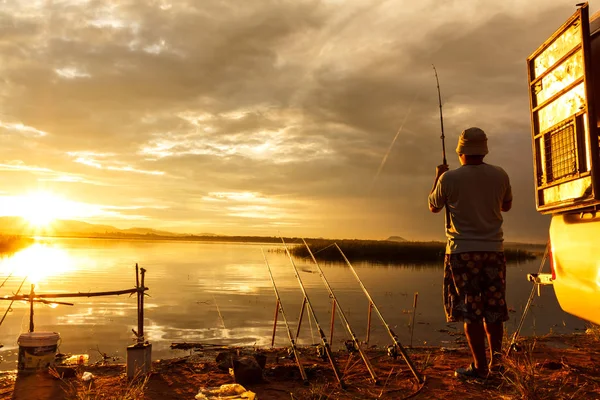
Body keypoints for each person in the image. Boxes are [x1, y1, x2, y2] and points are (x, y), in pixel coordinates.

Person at [428, 127, 512, 379]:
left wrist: (438, 176)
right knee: (494, 310)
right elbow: (506, 206)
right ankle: (497, 365)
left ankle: (479, 367)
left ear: (461, 151)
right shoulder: (501, 174)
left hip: (462, 254)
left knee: (470, 311)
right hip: (494, 252)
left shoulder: (449, 178)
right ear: (484, 149)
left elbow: (433, 206)